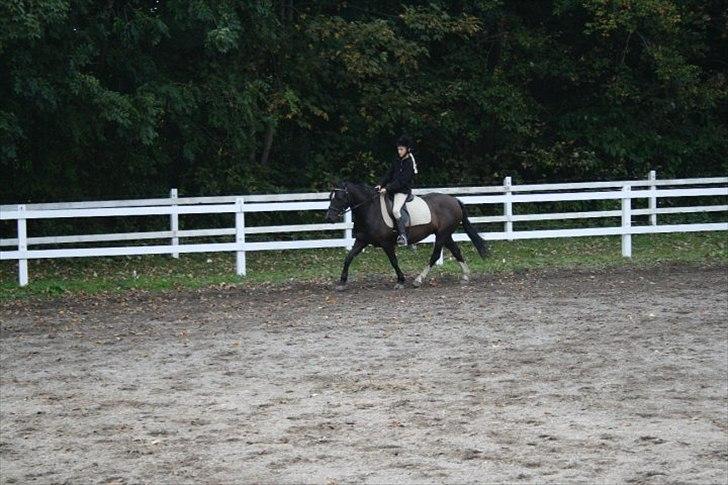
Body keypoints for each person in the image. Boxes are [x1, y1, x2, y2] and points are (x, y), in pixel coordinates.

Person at [375, 135, 419, 246]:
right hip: (391, 190)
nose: (399, 151)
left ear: (407, 149)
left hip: (402, 191)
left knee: (395, 210)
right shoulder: (397, 160)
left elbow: (401, 181)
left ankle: (402, 236)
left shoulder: (409, 163)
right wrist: (380, 184)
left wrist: (387, 188)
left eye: (401, 149)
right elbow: (389, 174)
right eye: (398, 149)